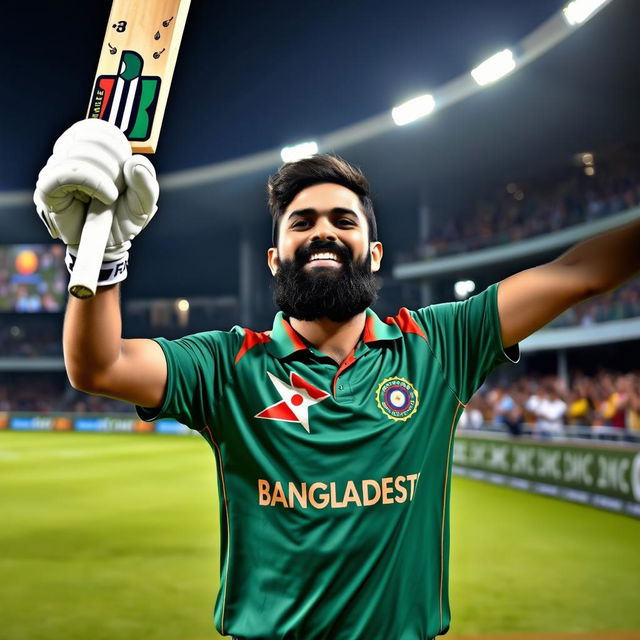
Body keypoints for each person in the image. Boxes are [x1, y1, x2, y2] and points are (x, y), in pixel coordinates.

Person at [33, 119, 640, 640]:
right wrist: (100, 259)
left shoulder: (440, 345)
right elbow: (97, 365)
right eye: (301, 222)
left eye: (343, 220)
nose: (323, 230)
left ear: (373, 252)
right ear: (275, 258)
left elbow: (579, 273)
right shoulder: (227, 364)